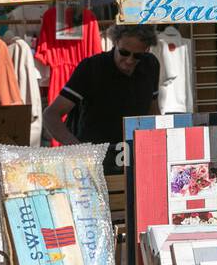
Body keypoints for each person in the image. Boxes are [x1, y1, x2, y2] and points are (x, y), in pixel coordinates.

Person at [42, 24, 160, 173]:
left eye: (138, 56)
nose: (130, 60)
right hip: (93, 161)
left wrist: (157, 146)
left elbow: (153, 109)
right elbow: (51, 115)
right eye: (124, 53)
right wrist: (78, 150)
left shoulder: (151, 64)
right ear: (115, 42)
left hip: (135, 158)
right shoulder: (91, 68)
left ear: (147, 49)